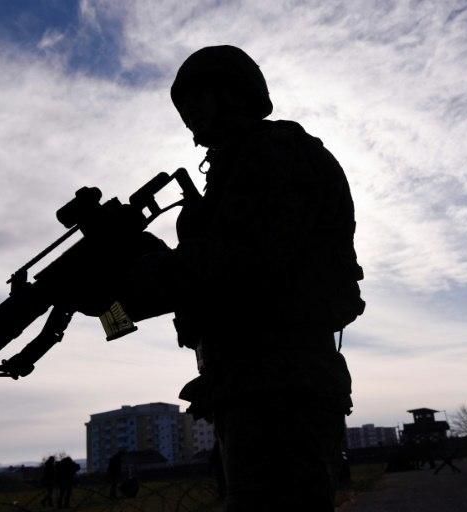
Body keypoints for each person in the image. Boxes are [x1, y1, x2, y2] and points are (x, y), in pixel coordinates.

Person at [74, 45, 364, 511]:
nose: (189, 117)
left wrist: (128, 281)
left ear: (234, 94)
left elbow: (228, 266)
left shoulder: (275, 154)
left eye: (197, 101)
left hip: (281, 390)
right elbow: (196, 278)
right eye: (183, 108)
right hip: (247, 388)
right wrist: (110, 308)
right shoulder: (231, 176)